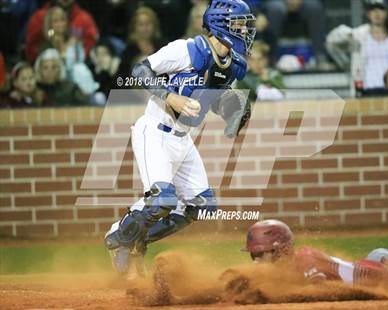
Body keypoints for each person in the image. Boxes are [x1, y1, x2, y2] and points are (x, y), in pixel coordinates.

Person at [104, 0, 256, 278]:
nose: (245, 30)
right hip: (155, 130)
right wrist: (169, 96)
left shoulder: (233, 65)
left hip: (184, 139)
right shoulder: (186, 50)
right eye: (239, 24)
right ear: (220, 24)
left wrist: (232, 109)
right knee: (162, 199)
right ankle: (118, 237)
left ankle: (138, 239)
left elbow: (212, 97)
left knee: (202, 206)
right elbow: (139, 71)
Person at [241, 219, 388, 286]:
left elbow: (319, 290)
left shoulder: (306, 261)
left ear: (282, 250)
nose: (257, 262)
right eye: (253, 255)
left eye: (262, 255)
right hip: (375, 261)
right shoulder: (290, 267)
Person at [326, 0, 388, 96]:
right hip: (367, 92)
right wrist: (347, 34)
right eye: (373, 10)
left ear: (387, 12)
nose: (377, 13)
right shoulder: (359, 35)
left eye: (381, 9)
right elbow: (331, 41)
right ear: (368, 13)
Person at [25, 0, 98, 64]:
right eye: (56, 21)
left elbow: (92, 46)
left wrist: (73, 53)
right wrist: (52, 39)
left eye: (62, 20)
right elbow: (32, 49)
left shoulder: (84, 19)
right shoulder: (39, 17)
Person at [117, 6, 165, 85]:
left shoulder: (162, 47)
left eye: (148, 24)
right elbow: (121, 79)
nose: (145, 28)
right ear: (135, 27)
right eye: (141, 24)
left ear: (154, 26)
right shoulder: (129, 51)